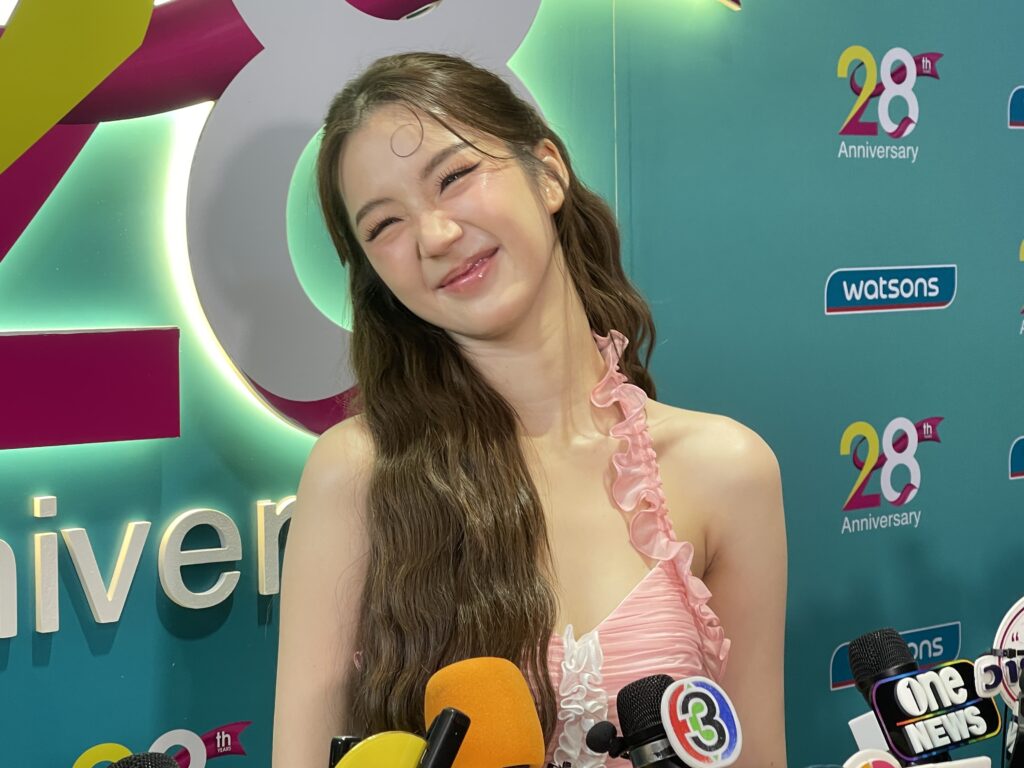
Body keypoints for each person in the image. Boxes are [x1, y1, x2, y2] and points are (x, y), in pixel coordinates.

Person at [272, 52, 787, 768]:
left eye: (454, 177)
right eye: (385, 224)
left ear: (547, 171)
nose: (435, 236)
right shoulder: (356, 471)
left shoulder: (727, 469)